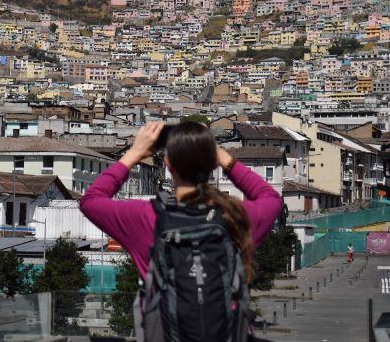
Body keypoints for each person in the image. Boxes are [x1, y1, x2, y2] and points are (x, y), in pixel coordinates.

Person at [80, 122, 283, 341]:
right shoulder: (237, 217)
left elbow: (91, 201)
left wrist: (135, 153)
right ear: (212, 164)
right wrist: (225, 158)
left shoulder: (147, 218)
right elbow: (271, 198)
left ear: (168, 164)